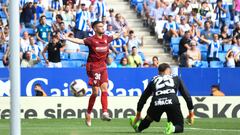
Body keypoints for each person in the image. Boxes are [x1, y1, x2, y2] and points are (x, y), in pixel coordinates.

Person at [64, 21, 121, 126]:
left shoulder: (106, 38)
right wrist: (67, 38)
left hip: (103, 67)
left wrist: (122, 31)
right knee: (95, 92)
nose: (102, 28)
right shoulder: (91, 40)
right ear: (95, 29)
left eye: (102, 26)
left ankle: (104, 112)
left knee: (104, 88)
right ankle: (88, 113)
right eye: (99, 26)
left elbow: (115, 35)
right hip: (93, 67)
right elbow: (79, 41)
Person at [129, 63, 194, 134]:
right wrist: (191, 114)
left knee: (149, 119)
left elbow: (143, 98)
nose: (171, 72)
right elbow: (187, 96)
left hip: (156, 102)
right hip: (172, 101)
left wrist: (138, 114)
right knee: (179, 127)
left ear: (159, 72)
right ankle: (172, 128)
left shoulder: (153, 79)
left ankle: (138, 128)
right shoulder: (176, 77)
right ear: (168, 70)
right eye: (170, 70)